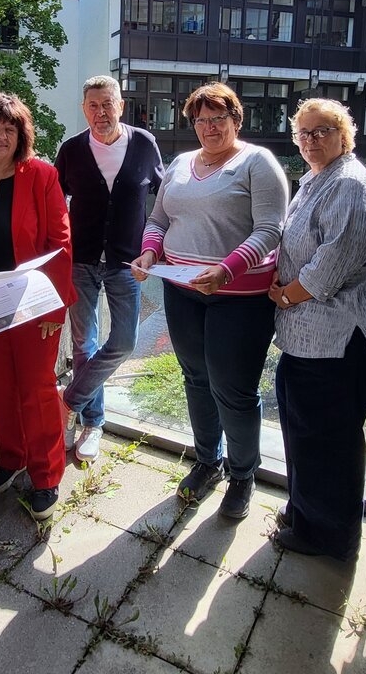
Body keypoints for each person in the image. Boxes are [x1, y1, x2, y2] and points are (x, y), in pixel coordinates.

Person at [267, 99, 366, 560]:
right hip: (318, 334)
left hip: (350, 334)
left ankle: (328, 536)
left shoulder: (351, 185)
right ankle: (305, 512)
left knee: (327, 436)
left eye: (323, 131)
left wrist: (284, 295)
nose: (312, 140)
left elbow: (328, 269)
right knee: (305, 424)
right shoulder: (317, 179)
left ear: (344, 135)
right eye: (304, 132)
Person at [131, 83, 288, 518]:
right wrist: (149, 252)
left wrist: (226, 270)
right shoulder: (181, 163)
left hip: (239, 298)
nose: (208, 127)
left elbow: (271, 229)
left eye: (218, 118)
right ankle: (207, 461)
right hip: (182, 292)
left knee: (233, 390)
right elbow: (160, 218)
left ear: (237, 120)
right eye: (200, 119)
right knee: (195, 379)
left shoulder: (258, 162)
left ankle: (242, 475)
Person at [0, 93, 76, 519]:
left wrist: (54, 312)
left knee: (36, 388)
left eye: (10, 126)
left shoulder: (41, 175)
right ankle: (11, 457)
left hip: (33, 305)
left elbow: (60, 245)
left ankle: (46, 475)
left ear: (21, 135)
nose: (0, 133)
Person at [55, 75, 162, 463]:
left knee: (125, 341)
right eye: (93, 106)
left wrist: (156, 250)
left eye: (108, 104)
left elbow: (163, 203)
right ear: (85, 110)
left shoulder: (145, 145)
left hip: (125, 263)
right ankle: (92, 423)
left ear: (121, 105)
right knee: (83, 344)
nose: (101, 113)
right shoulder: (71, 150)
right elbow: (55, 203)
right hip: (80, 261)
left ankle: (68, 401)